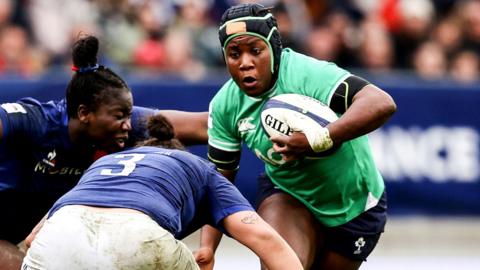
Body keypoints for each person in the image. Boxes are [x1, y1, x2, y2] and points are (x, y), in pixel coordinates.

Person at [198, 3, 397, 270]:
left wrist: (319, 138)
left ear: (274, 48)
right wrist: (207, 247)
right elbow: (220, 182)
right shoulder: (225, 104)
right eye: (234, 54)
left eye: (255, 51)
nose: (245, 63)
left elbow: (381, 103)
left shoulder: (308, 74)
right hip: (288, 194)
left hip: (354, 204)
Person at [0, 34, 208, 269]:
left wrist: (250, 113)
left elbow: (204, 126)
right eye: (120, 117)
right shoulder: (37, 121)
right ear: (84, 113)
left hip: (51, 226)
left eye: (128, 116)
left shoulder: (120, 124)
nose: (128, 125)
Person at [21, 114, 302, 270]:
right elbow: (266, 239)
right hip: (137, 236)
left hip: (59, 234)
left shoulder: (103, 163)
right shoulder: (198, 168)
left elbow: (34, 238)